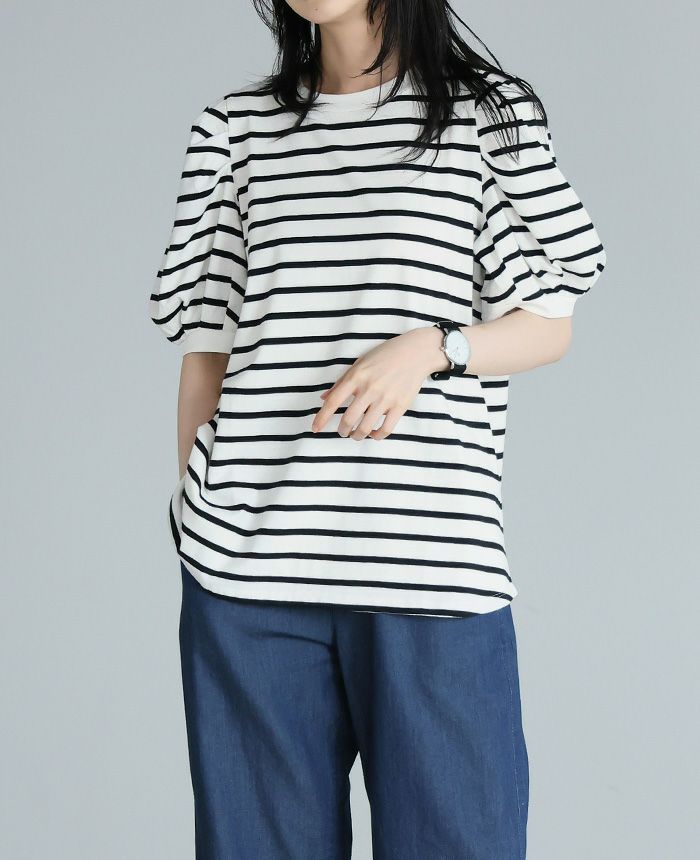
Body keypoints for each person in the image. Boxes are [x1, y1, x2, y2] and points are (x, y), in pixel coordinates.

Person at [149, 1, 606, 857]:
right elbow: (206, 350)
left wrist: (435, 348)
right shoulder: (235, 131)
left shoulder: (485, 116)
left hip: (431, 572)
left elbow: (550, 321)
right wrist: (198, 512)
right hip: (248, 582)